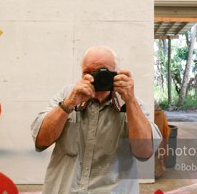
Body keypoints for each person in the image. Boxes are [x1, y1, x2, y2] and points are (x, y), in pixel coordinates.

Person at [31, 46, 162, 193]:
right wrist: (68, 105)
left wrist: (130, 101)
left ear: (116, 74)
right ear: (81, 73)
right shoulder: (67, 96)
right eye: (88, 72)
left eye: (103, 71)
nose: (96, 77)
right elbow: (41, 140)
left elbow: (144, 152)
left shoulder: (131, 104)